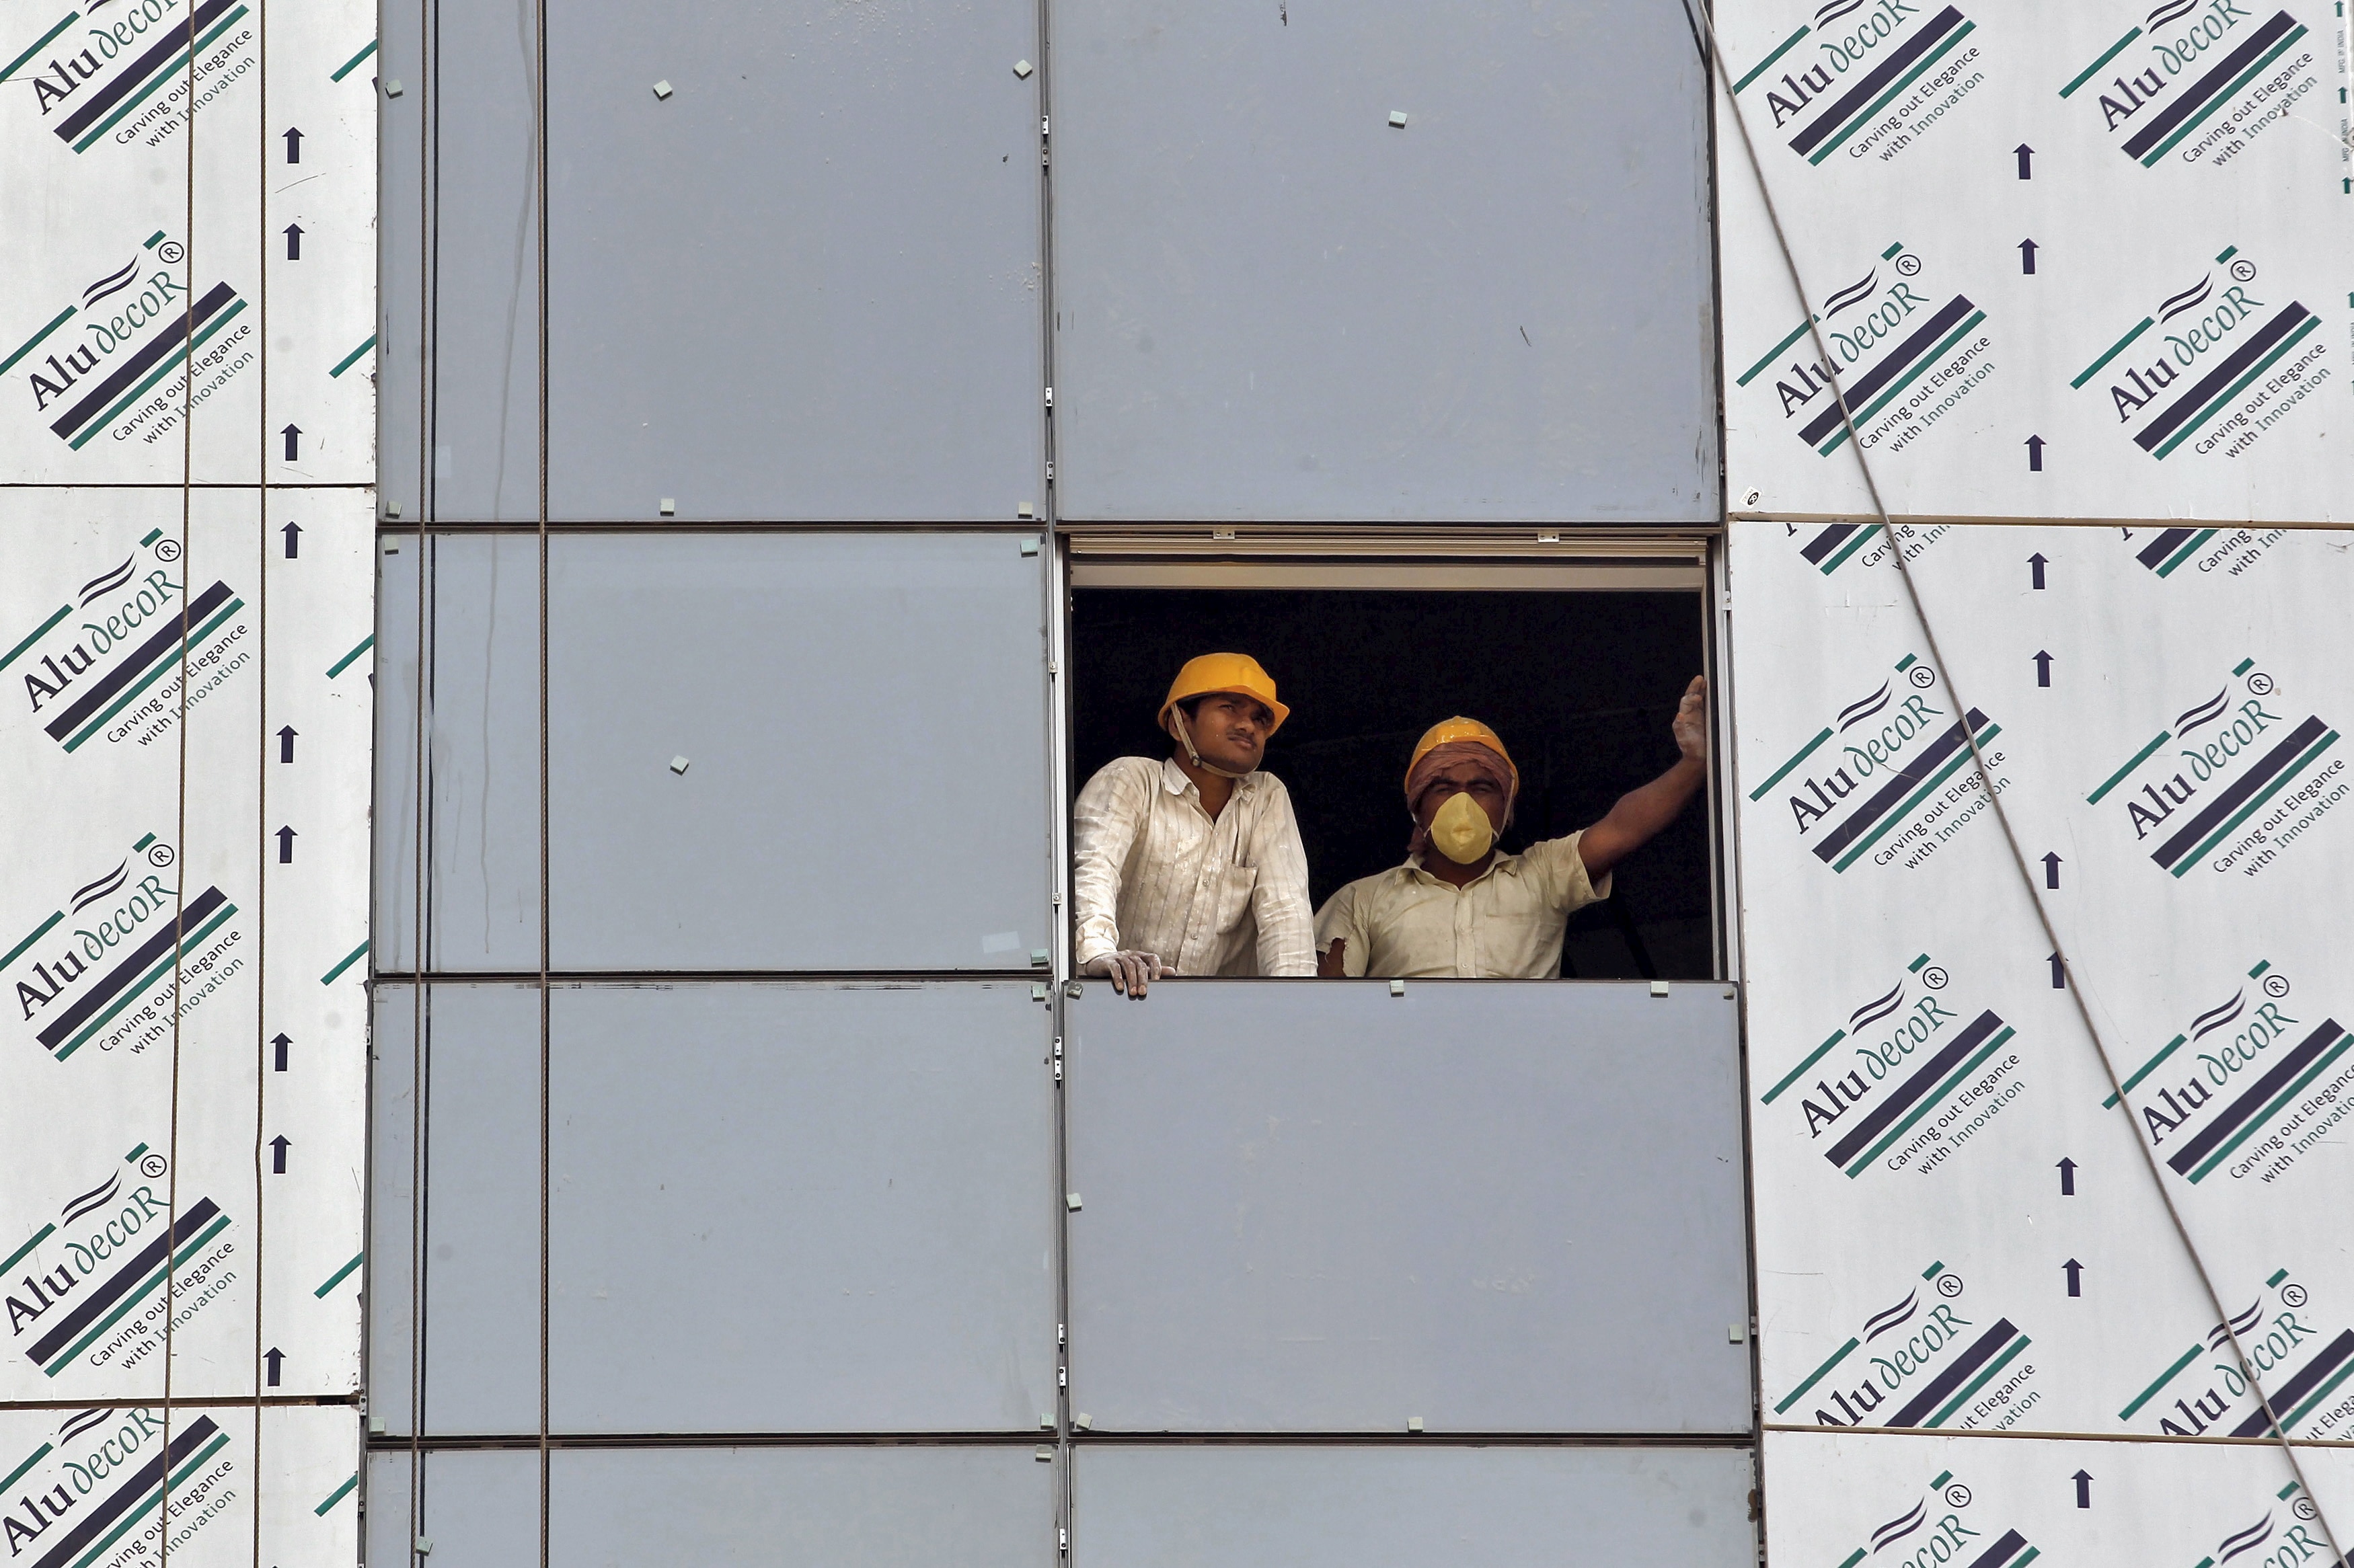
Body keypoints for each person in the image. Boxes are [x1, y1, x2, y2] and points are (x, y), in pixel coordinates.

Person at [1315, 678, 1708, 980]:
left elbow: (1625, 826)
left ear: (1506, 808)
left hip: (1524, 1078)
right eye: (1443, 788)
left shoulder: (1541, 877)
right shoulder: (1363, 899)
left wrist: (1693, 762)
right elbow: (1321, 1011)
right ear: (1417, 806)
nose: (1462, 802)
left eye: (1482, 787)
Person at [1072, 653, 1315, 998]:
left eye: (1260, 719)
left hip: (1220, 1025)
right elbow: (1094, 869)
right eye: (1230, 707)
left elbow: (1286, 914)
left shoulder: (1267, 797)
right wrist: (1098, 951)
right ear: (1179, 724)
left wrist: (1297, 1009)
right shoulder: (1131, 780)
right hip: (1116, 1005)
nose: (1248, 726)